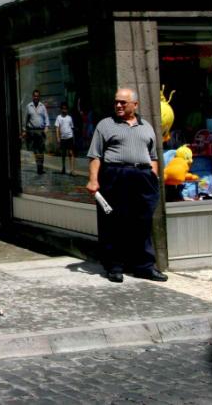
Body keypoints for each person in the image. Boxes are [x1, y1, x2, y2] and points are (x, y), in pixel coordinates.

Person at [85, 88, 168, 283]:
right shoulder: (105, 125)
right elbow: (95, 155)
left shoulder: (146, 126)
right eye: (116, 102)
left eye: (123, 102)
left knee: (143, 222)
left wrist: (153, 176)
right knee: (114, 222)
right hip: (116, 175)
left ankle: (144, 266)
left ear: (135, 105)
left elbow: (153, 156)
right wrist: (93, 179)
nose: (119, 105)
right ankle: (115, 266)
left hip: (143, 177)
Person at [22, 90, 49, 175]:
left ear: (39, 97)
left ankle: (41, 166)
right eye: (35, 96)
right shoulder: (28, 106)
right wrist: (24, 130)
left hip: (41, 131)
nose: (36, 97)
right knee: (36, 150)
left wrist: (47, 127)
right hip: (32, 131)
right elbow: (25, 119)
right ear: (32, 96)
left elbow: (46, 118)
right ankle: (39, 167)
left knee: (41, 150)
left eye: (37, 96)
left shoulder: (42, 106)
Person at [55, 102, 76, 175]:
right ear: (61, 109)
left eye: (65, 109)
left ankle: (72, 170)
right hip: (63, 138)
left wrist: (73, 138)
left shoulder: (69, 118)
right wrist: (58, 137)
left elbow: (72, 128)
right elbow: (57, 128)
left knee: (71, 153)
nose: (64, 110)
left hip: (69, 137)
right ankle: (63, 168)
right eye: (63, 109)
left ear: (67, 109)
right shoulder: (59, 117)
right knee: (63, 153)